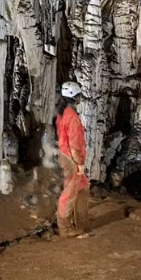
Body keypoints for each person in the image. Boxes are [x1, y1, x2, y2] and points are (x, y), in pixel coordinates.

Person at [55, 81, 91, 235]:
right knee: (69, 193)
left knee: (83, 187)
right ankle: (65, 228)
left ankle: (81, 222)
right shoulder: (72, 116)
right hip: (71, 159)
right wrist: (80, 163)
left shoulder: (61, 112)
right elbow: (75, 143)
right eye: (78, 96)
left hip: (63, 154)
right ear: (75, 97)